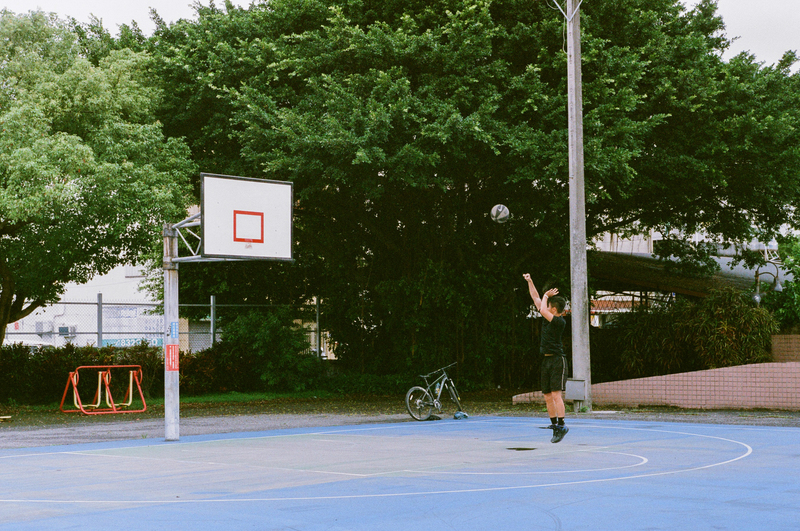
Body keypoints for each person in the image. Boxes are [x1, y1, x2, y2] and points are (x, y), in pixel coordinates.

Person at [523, 273, 569, 443]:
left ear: (554, 309)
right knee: (548, 395)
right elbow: (535, 298)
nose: (544, 305)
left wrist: (546, 295)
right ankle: (554, 424)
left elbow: (542, 306)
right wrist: (530, 281)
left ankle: (562, 425)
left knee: (556, 395)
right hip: (547, 360)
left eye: (548, 304)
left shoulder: (558, 321)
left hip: (558, 360)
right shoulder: (546, 316)